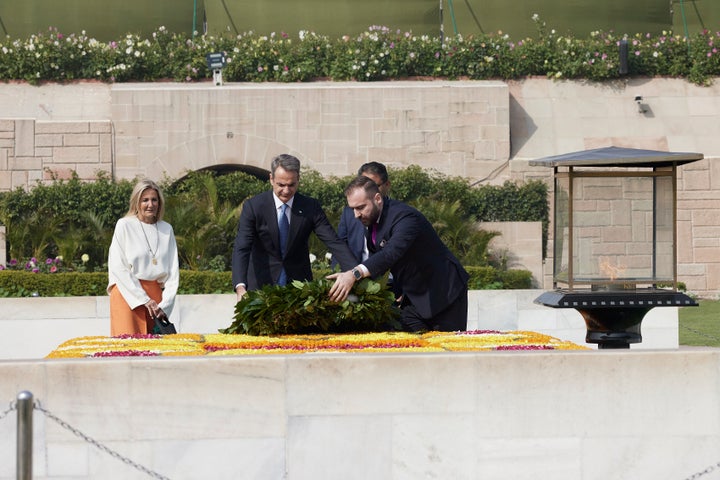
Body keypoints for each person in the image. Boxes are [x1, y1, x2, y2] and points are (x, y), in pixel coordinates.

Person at [328, 175, 469, 332]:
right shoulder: (371, 221)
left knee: (447, 352)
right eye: (352, 209)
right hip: (414, 298)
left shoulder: (405, 217)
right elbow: (382, 262)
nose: (356, 215)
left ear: (377, 199)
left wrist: (354, 274)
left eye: (360, 207)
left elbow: (391, 253)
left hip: (444, 294)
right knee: (405, 345)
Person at [232, 153, 357, 300]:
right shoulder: (254, 207)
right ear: (271, 179)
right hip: (261, 286)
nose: (286, 190)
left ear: (298, 179)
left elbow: (333, 241)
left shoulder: (310, 207)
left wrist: (355, 272)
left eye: (291, 185)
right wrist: (240, 287)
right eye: (281, 185)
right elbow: (242, 247)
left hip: (299, 287)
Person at [107, 179, 180, 335]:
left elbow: (173, 273)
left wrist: (165, 305)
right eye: (145, 200)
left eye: (154, 200)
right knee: (127, 349)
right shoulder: (124, 225)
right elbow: (118, 267)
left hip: (156, 301)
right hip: (126, 294)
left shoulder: (167, 229)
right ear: (136, 202)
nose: (150, 204)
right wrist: (143, 299)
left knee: (155, 351)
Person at [335, 162, 392, 264]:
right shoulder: (349, 213)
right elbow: (340, 246)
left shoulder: (396, 215)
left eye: (374, 186)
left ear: (387, 185)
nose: (368, 191)